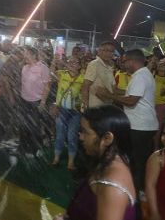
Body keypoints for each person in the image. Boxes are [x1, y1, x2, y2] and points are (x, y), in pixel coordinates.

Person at [94, 49, 158, 193]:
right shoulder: (142, 74)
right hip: (143, 125)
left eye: (124, 61)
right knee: (137, 160)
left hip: (140, 127)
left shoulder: (140, 77)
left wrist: (109, 95)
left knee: (136, 162)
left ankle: (136, 192)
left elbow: (131, 101)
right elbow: (131, 93)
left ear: (132, 61)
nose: (123, 65)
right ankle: (137, 190)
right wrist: (115, 91)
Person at [49, 56, 84, 170]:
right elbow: (50, 75)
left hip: (75, 112)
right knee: (59, 135)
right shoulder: (62, 74)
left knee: (72, 136)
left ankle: (70, 162)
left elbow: (84, 95)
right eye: (70, 62)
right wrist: (54, 63)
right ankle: (56, 159)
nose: (72, 64)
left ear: (79, 66)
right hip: (62, 109)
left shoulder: (83, 78)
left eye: (75, 62)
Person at [19, 47, 50, 158]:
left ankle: (36, 148)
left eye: (26, 54)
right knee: (23, 125)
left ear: (33, 55)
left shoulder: (43, 68)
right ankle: (23, 148)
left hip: (36, 101)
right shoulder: (24, 67)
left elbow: (47, 87)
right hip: (24, 100)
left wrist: (43, 102)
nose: (24, 56)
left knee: (34, 126)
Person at [81, 42, 116, 110]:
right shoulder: (94, 64)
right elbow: (85, 86)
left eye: (111, 51)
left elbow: (113, 89)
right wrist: (85, 106)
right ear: (99, 51)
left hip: (106, 105)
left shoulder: (110, 67)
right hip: (94, 107)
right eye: (105, 50)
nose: (108, 53)